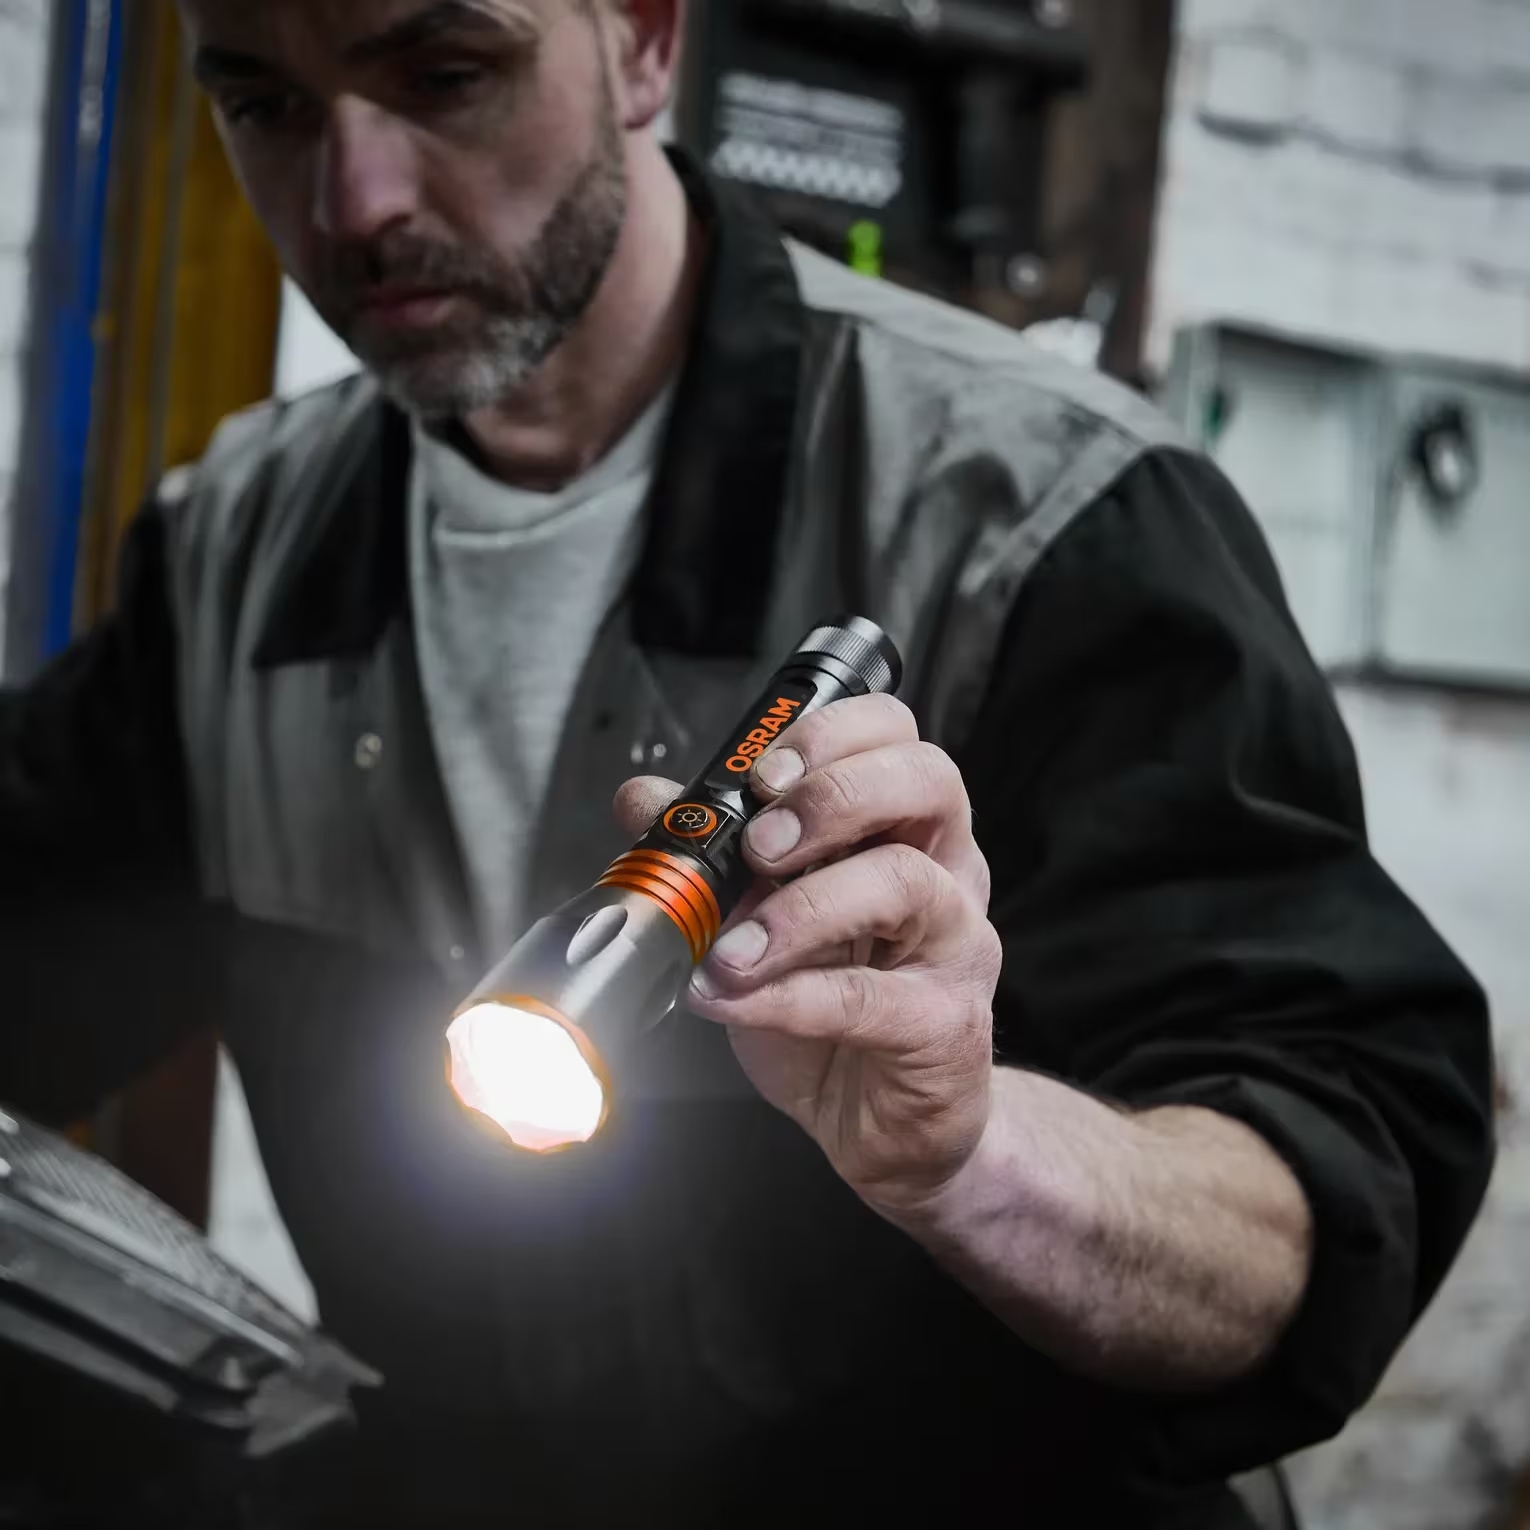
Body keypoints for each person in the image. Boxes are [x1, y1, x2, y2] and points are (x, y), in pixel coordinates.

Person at [0, 1, 1494, 1525]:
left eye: (445, 74)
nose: (353, 199)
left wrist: (969, 1154)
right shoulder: (230, 549)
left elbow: (1311, 1210)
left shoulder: (1040, 517)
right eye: (265, 103)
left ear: (644, 42)